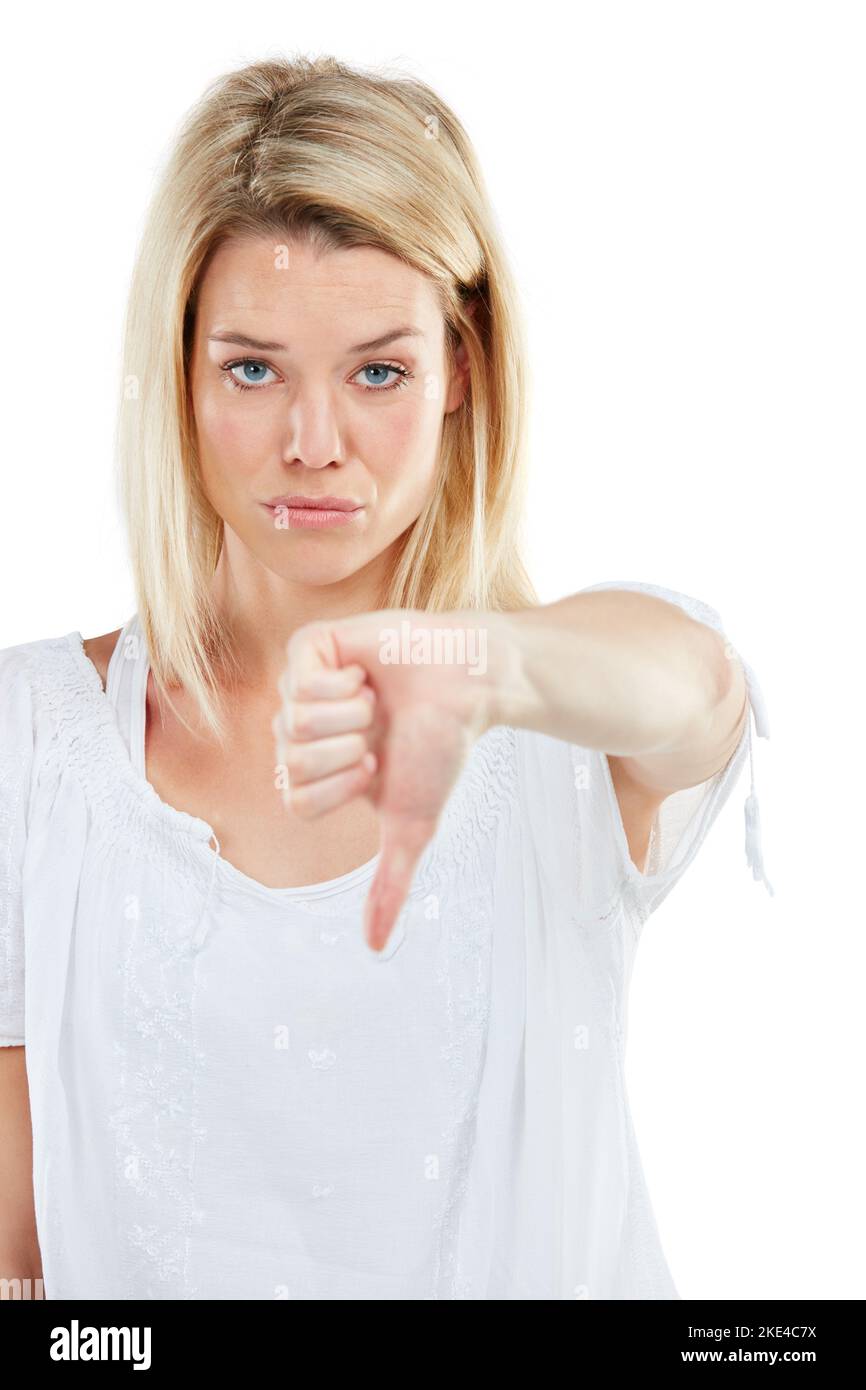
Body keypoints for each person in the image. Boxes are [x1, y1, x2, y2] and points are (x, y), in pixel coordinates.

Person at [0, 53, 772, 1301]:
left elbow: (696, 686)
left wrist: (482, 665)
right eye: (252, 368)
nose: (313, 443)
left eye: (378, 370)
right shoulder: (35, 744)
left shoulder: (556, 720)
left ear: (462, 367)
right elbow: (20, 1260)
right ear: (182, 375)